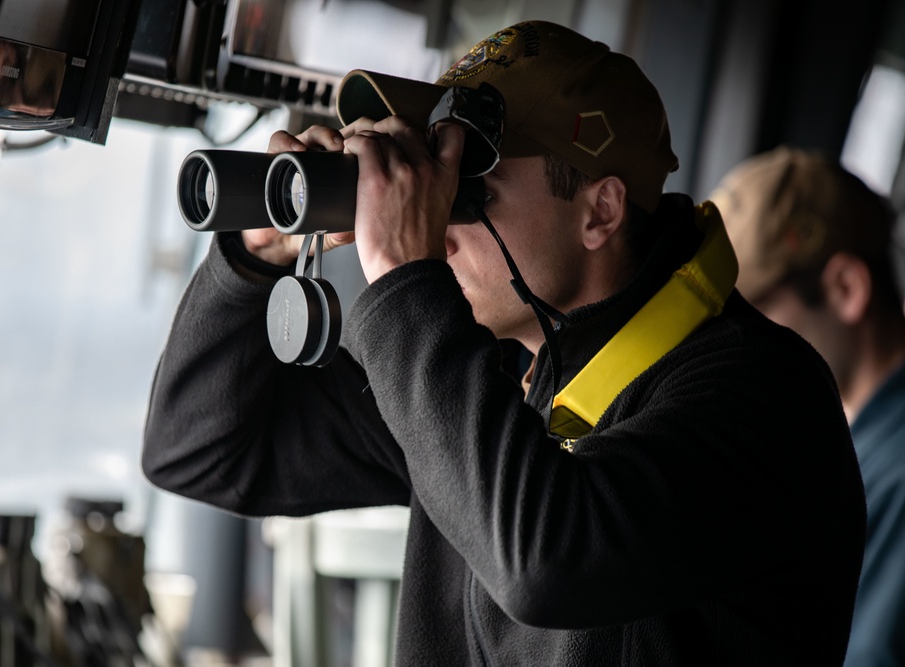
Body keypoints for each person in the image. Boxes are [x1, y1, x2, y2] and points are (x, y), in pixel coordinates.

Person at [143, 20, 866, 665]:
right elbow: (199, 447)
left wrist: (405, 274)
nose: (437, 219)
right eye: (430, 173)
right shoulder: (498, 371)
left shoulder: (764, 394)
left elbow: (546, 561)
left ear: (600, 211)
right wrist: (252, 256)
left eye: (465, 188)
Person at [711, 147, 905, 667]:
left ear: (845, 289)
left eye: (754, 317)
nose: (723, 351)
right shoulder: (852, 447)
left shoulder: (893, 474)